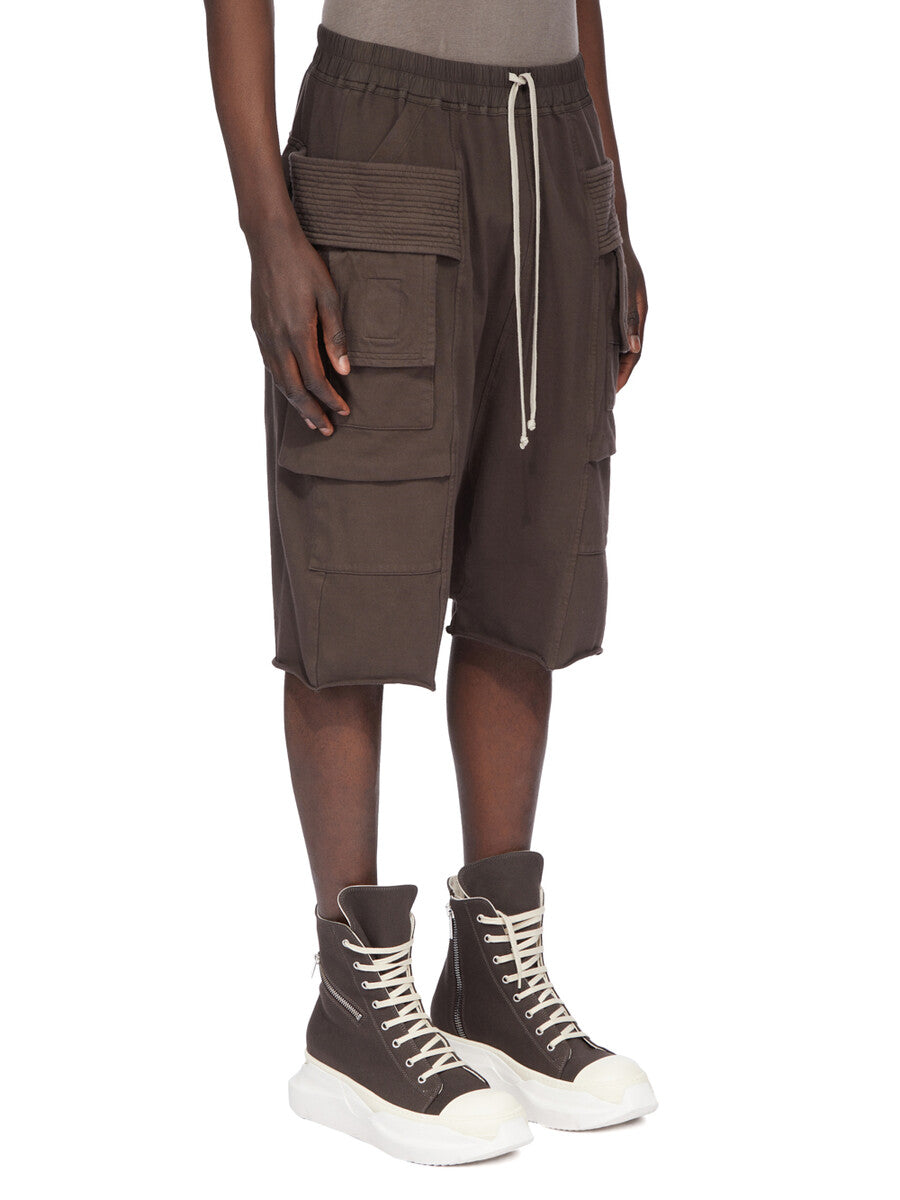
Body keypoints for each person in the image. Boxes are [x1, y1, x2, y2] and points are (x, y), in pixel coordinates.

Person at [204, 0, 656, 1164]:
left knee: (529, 556)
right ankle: (355, 1002)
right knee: (355, 555)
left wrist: (607, 195)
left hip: (554, 141)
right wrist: (267, 223)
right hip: (381, 133)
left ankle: (492, 980)